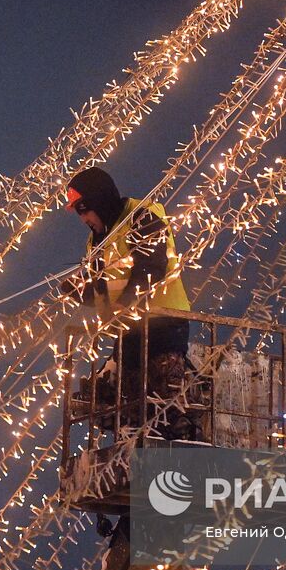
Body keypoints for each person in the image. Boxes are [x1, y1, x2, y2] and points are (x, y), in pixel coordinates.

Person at [63, 167, 200, 440]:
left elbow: (152, 267)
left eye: (83, 210)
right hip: (129, 329)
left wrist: (128, 300)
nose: (83, 219)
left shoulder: (141, 217)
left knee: (162, 400)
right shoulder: (98, 241)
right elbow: (104, 289)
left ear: (98, 202)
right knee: (129, 403)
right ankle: (138, 449)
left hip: (163, 324)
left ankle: (177, 442)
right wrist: (81, 292)